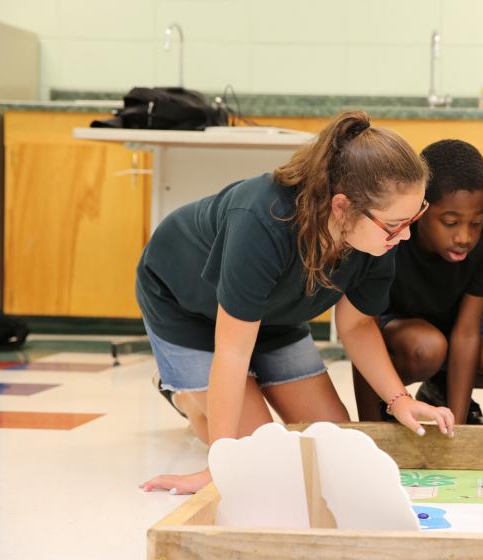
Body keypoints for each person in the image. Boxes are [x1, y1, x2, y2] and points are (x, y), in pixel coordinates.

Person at [138, 111, 454, 495]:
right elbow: (233, 351)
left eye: (413, 217)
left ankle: (199, 398)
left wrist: (400, 399)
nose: (404, 236)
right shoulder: (261, 218)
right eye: (396, 224)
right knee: (262, 459)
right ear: (341, 207)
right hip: (188, 309)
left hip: (275, 317)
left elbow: (356, 326)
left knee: (333, 447)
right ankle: (187, 398)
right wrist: (221, 465)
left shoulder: (379, 232)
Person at [353, 139, 483, 425]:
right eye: (450, 222)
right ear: (420, 210)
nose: (465, 237)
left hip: (459, 325)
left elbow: (468, 332)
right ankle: (390, 405)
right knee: (427, 346)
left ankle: (440, 393)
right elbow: (362, 332)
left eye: (476, 222)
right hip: (401, 332)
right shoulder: (392, 232)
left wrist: (457, 432)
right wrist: (369, 428)